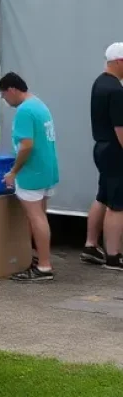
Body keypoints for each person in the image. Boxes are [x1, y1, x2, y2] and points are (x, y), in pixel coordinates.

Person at [0, 72, 59, 282]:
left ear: (12, 90)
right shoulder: (39, 104)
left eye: (5, 96)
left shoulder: (24, 111)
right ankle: (39, 258)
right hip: (47, 168)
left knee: (35, 217)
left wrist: (13, 172)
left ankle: (43, 266)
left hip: (31, 171)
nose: (6, 101)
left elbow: (26, 145)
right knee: (41, 215)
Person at [84, 43, 123, 270]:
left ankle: (90, 246)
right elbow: (121, 131)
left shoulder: (100, 83)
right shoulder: (117, 91)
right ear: (119, 62)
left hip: (101, 147)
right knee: (117, 204)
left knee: (103, 196)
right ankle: (113, 256)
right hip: (115, 151)